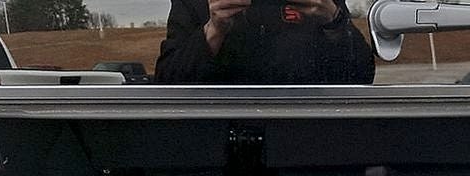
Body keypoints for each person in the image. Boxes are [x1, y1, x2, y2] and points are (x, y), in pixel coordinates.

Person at [154, 0, 375, 84]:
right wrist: (214, 31)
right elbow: (169, 82)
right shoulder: (196, 3)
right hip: (220, 141)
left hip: (306, 139)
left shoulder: (321, 2)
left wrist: (333, 20)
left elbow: (362, 75)